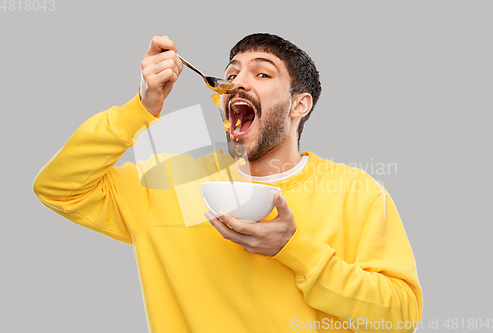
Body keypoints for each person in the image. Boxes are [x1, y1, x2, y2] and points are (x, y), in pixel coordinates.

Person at [33, 33, 422, 332]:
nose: (237, 82)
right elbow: (58, 187)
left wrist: (294, 249)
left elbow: (401, 316)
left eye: (262, 73)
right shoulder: (171, 179)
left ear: (299, 105)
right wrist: (141, 109)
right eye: (232, 73)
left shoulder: (355, 192)